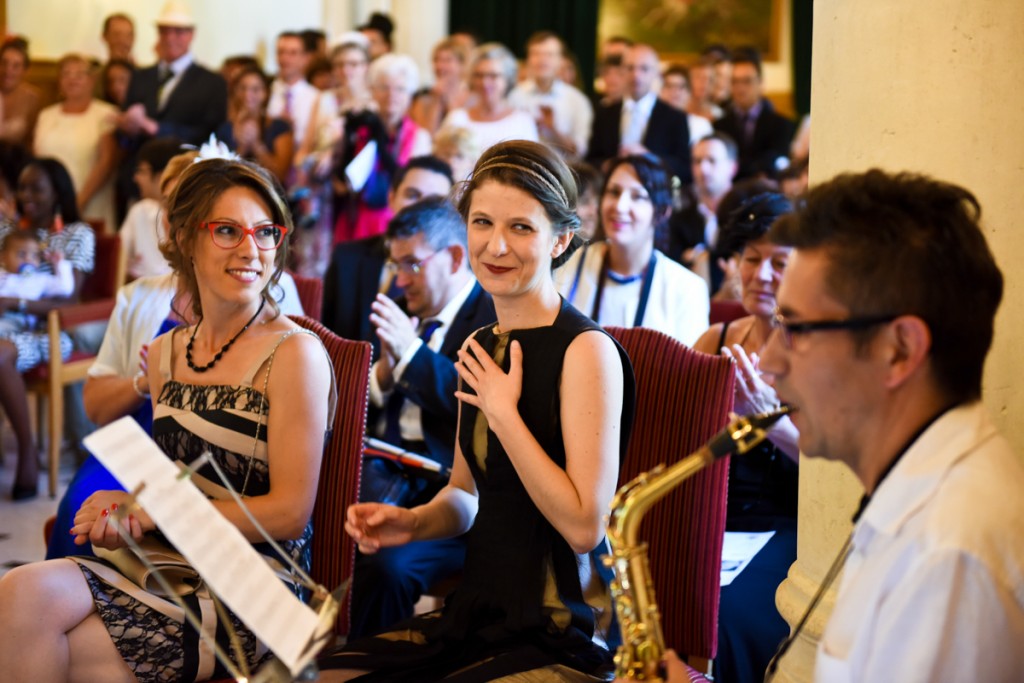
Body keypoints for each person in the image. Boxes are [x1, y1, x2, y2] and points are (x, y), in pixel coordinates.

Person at [0, 156, 334, 681]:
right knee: (16, 592)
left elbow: (290, 513)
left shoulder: (296, 353)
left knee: (56, 654)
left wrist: (157, 509)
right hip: (172, 564)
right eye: (226, 230)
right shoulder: (165, 352)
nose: (251, 249)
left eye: (265, 231)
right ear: (183, 237)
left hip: (256, 587)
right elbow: (183, 480)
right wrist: (126, 510)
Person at [318, 139, 635, 681]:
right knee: (325, 674)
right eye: (483, 222)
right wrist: (412, 522)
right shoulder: (481, 344)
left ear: (561, 239)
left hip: (560, 623)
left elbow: (585, 527)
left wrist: (504, 414)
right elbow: (465, 495)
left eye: (521, 228)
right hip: (479, 608)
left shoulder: (587, 350)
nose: (496, 245)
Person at [755, 170, 1023, 682]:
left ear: (898, 349)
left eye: (795, 329)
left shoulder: (947, 561)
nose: (768, 361)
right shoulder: (922, 497)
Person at [350, 196, 496, 639]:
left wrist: (411, 353)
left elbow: (475, 406)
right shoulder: (408, 313)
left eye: (411, 264)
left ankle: (372, 668)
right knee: (311, 531)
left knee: (385, 566)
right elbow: (369, 400)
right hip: (386, 475)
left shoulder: (492, 317)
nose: (400, 280)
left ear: (454, 258)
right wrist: (387, 371)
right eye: (395, 266)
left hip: (454, 498)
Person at [691, 193, 800, 683]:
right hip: (715, 517)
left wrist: (768, 421)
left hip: (786, 523)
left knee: (725, 614)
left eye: (779, 262)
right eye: (751, 259)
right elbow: (685, 443)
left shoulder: (818, 349)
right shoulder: (712, 341)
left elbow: (832, 469)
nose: (761, 274)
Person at [0, 158, 95, 500]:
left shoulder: (75, 235)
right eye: (22, 187)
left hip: (52, 335)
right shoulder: (11, 231)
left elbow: (69, 301)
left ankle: (27, 453)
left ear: (57, 192)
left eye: (36, 188)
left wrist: (15, 303)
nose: (27, 195)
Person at [555, 154, 709, 346]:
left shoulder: (686, 288)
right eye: (614, 192)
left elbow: (690, 372)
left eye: (638, 196)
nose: (620, 206)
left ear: (662, 212)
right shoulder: (570, 264)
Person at [322, 154, 453, 353]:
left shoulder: (451, 277)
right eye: (412, 195)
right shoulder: (346, 258)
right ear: (391, 198)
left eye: (433, 203)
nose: (420, 209)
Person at [332, 53, 432, 244]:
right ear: (373, 92)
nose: (391, 95)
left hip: (397, 223)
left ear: (410, 95)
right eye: (384, 88)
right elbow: (340, 183)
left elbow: (413, 186)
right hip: (354, 219)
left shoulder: (419, 137)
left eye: (400, 89)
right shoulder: (360, 128)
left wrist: (379, 142)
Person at [34, 54, 120, 231]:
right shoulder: (46, 115)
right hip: (49, 207)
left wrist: (77, 203)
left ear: (91, 80)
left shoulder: (106, 114)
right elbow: (37, 161)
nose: (72, 79)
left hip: (91, 205)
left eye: (79, 74)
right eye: (66, 74)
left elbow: (107, 162)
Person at [588, 44, 692, 185]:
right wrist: (607, 164)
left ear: (655, 73)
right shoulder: (605, 114)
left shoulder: (675, 117)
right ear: (622, 72)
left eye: (644, 69)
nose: (636, 75)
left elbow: (684, 167)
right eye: (630, 68)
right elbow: (591, 159)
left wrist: (648, 157)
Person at [440, 43, 539, 165]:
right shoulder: (457, 117)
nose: (485, 82)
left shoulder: (522, 120)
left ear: (507, 79)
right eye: (479, 75)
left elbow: (530, 164)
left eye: (493, 76)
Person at [666, 132, 739, 286]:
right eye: (697, 161)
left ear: (733, 167)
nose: (703, 169)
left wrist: (699, 257)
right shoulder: (679, 219)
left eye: (712, 161)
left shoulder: (746, 215)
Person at [509, 31, 594, 159]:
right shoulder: (515, 96)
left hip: (563, 173)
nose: (542, 60)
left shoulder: (577, 100)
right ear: (528, 58)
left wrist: (553, 129)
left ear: (561, 60)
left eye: (549, 54)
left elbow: (579, 152)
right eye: (536, 53)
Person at [713, 49, 794, 180]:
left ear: (760, 83)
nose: (740, 88)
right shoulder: (719, 126)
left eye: (747, 81)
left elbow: (776, 164)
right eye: (735, 81)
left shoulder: (781, 125)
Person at [216, 66, 294, 182]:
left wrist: (256, 145)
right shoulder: (225, 129)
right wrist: (242, 148)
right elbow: (220, 175)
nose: (248, 95)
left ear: (265, 93)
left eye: (255, 89)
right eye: (243, 88)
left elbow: (280, 175)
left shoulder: (279, 126)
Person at [119, 137, 182, 279]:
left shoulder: (193, 217)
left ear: (163, 175)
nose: (136, 177)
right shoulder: (139, 211)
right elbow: (118, 262)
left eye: (141, 171)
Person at [409, 38, 471, 136]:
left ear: (462, 65)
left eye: (447, 60)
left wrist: (449, 103)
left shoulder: (473, 97)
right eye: (436, 60)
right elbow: (426, 136)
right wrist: (437, 100)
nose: (440, 66)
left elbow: (460, 133)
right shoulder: (422, 98)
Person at [267, 31, 318, 149]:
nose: (285, 58)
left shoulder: (316, 97)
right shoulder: (265, 92)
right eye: (281, 52)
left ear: (305, 58)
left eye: (293, 53)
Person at [0, 37, 42, 147]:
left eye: (16, 66)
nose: (8, 70)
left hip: (14, 160)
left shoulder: (32, 98)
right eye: (4, 63)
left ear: (25, 70)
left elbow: (32, 140)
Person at [659, 64, 714, 144]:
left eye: (681, 86)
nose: (675, 92)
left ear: (689, 91)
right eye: (669, 86)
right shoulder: (649, 122)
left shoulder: (701, 125)